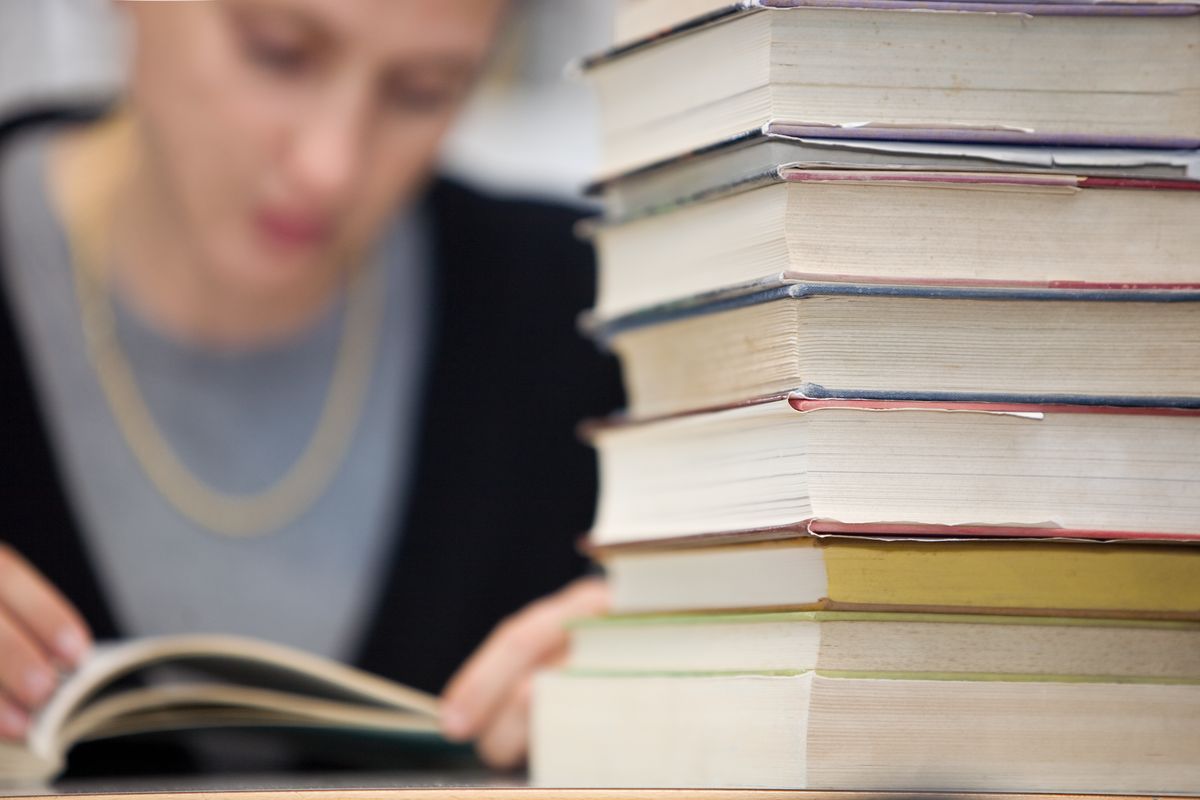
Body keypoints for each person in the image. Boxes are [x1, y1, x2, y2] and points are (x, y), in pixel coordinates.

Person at [0, 0, 621, 773]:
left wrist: (709, 649)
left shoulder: (598, 318)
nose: (329, 165)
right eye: (278, 52)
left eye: (424, 90)